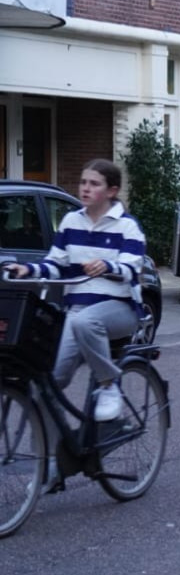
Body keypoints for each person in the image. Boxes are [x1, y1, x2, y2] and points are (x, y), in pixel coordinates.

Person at [3, 160, 146, 427]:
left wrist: (107, 265)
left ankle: (109, 384)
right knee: (48, 382)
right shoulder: (70, 221)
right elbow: (55, 264)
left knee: (85, 321)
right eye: (83, 182)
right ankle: (56, 456)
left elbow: (130, 268)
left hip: (120, 308)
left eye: (94, 184)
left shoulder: (127, 227)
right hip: (77, 311)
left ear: (112, 191)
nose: (85, 188)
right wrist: (27, 269)